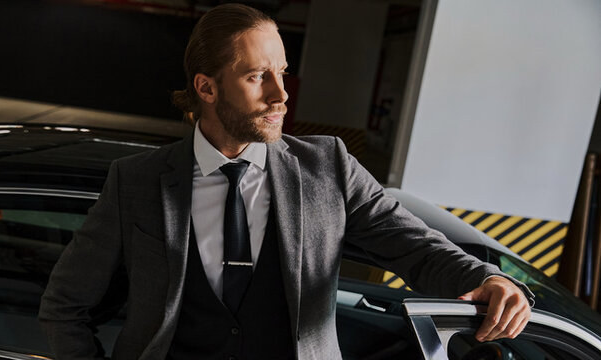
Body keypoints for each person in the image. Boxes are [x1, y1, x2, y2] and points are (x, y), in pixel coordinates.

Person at [39, 3, 533, 359]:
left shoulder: (329, 167)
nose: (281, 95)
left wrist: (486, 279)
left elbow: (417, 249)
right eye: (257, 77)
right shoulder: (138, 182)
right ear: (206, 87)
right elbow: (66, 305)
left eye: (282, 72)